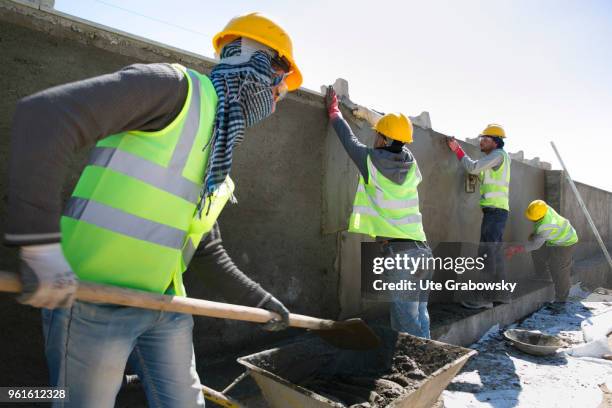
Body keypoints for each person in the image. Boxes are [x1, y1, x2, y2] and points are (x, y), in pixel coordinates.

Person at [5, 12, 302, 407]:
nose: (275, 104)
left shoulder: (218, 162)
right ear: (260, 69)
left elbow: (207, 249)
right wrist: (39, 248)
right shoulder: (173, 89)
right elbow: (43, 117)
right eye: (279, 90)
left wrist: (263, 302)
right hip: (94, 300)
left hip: (165, 307)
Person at [324, 87, 433, 338]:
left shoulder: (370, 161)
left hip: (400, 254)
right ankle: (431, 360)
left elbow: (348, 139)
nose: (375, 138)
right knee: (419, 316)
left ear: (383, 139)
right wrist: (372, 116)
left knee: (405, 324)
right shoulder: (410, 162)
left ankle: (421, 367)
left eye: (378, 135)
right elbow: (397, 136)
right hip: (423, 251)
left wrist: (334, 112)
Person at [447, 124, 511, 308]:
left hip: (495, 212)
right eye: (481, 138)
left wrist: (458, 150)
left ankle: (483, 298)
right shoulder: (498, 158)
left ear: (496, 141)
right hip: (497, 212)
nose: (481, 141)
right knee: (495, 255)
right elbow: (483, 175)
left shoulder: (498, 155)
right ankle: (501, 296)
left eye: (485, 138)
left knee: (487, 254)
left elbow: (473, 168)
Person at [506, 199, 578, 302]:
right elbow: (539, 235)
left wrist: (516, 249)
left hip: (566, 241)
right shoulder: (544, 208)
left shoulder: (545, 225)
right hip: (555, 239)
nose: (532, 220)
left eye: (533, 219)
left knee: (558, 269)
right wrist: (536, 235)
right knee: (538, 249)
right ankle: (544, 275)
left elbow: (535, 245)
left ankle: (561, 299)